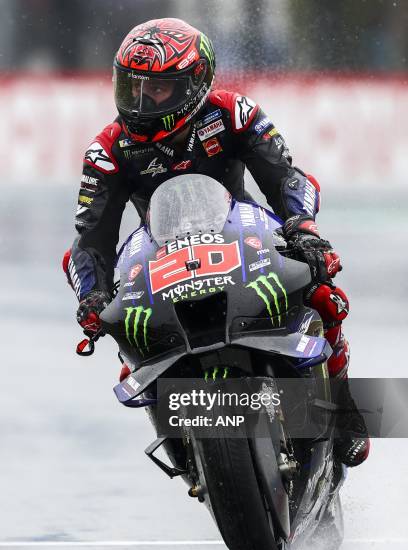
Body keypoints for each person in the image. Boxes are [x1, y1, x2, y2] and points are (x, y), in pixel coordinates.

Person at [62, 18, 369, 467]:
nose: (141, 100)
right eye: (132, 87)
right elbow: (89, 241)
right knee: (127, 327)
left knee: (323, 293)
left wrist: (303, 230)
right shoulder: (108, 148)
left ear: (193, 82)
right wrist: (92, 295)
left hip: (244, 239)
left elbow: (288, 179)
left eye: (157, 89)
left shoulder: (232, 112)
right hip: (162, 256)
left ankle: (342, 409)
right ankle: (175, 428)